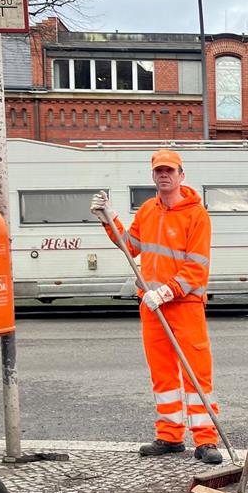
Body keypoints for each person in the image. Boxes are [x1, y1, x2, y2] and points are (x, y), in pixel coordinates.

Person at [90, 149, 222, 465]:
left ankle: (205, 440)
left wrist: (166, 292)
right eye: (159, 171)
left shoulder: (196, 215)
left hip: (184, 304)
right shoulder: (148, 210)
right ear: (153, 176)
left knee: (196, 374)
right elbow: (130, 246)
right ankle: (170, 436)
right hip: (151, 306)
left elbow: (197, 266)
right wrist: (109, 219)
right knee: (163, 375)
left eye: (169, 170)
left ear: (181, 175)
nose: (164, 175)